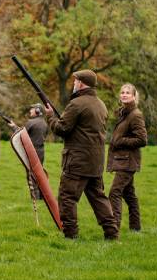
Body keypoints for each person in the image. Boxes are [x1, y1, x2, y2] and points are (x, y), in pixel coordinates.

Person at [45, 69, 119, 240]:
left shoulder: (76, 103)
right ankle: (112, 232)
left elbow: (62, 129)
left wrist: (50, 117)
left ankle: (70, 235)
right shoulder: (101, 104)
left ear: (81, 83)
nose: (73, 83)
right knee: (98, 198)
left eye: (76, 81)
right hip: (95, 161)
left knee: (67, 197)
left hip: (77, 160)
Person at [107, 83, 147, 232]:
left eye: (127, 93)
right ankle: (135, 228)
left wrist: (120, 141)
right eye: (122, 92)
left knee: (115, 192)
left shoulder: (135, 115)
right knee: (129, 194)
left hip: (128, 161)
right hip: (123, 160)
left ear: (134, 96)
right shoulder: (124, 113)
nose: (124, 95)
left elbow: (142, 139)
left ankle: (113, 229)